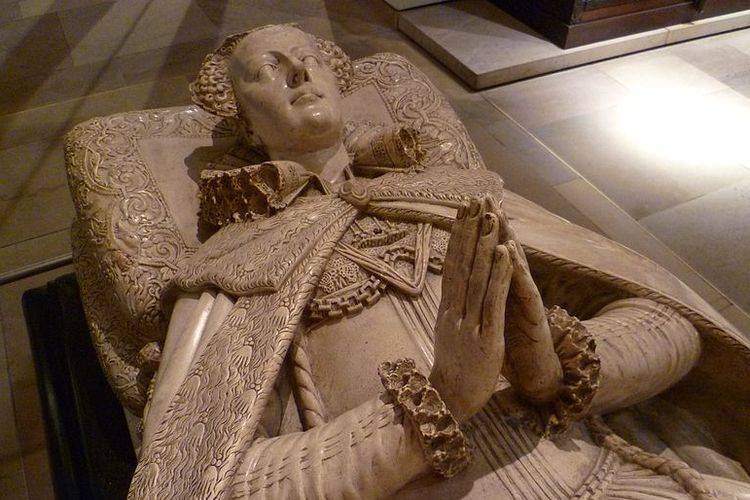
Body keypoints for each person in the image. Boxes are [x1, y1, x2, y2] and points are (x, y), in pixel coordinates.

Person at [127, 24, 750, 499]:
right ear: (246, 125)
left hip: (613, 481)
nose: (299, 70)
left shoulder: (449, 193)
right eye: (269, 68)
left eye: (312, 58)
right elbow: (206, 479)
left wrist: (552, 367)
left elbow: (672, 324)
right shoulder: (236, 266)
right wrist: (442, 399)